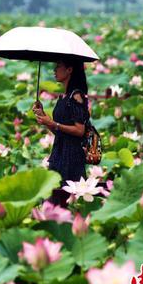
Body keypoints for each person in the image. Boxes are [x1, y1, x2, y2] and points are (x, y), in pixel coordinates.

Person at [33, 59, 90, 207]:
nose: (54, 70)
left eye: (58, 66)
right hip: (58, 154)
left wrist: (52, 123)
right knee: (53, 196)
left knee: (67, 200)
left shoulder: (76, 96)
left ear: (69, 70)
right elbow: (59, 131)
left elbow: (79, 130)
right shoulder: (62, 97)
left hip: (72, 157)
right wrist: (44, 116)